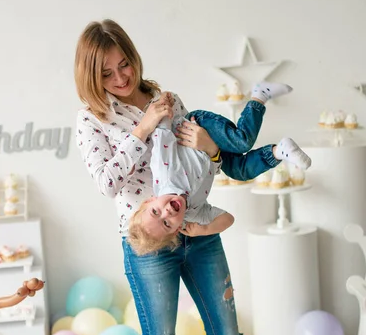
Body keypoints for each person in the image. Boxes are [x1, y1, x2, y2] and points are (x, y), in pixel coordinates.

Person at [75, 19, 279, 335]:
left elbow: (207, 169)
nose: (121, 78)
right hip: (150, 245)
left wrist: (208, 149)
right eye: (107, 73)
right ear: (92, 77)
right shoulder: (91, 119)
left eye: (124, 64)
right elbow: (107, 183)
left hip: (198, 232)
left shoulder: (166, 98)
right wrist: (143, 128)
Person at [128, 88, 311, 254]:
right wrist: (204, 230)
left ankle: (259, 95)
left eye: (155, 212)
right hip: (215, 156)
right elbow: (228, 219)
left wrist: (164, 104)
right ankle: (279, 151)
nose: (167, 212)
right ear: (177, 229)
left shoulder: (164, 173)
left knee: (242, 142)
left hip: (198, 127)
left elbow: (162, 134)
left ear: (150, 200)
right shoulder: (192, 214)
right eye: (167, 224)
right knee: (240, 172)